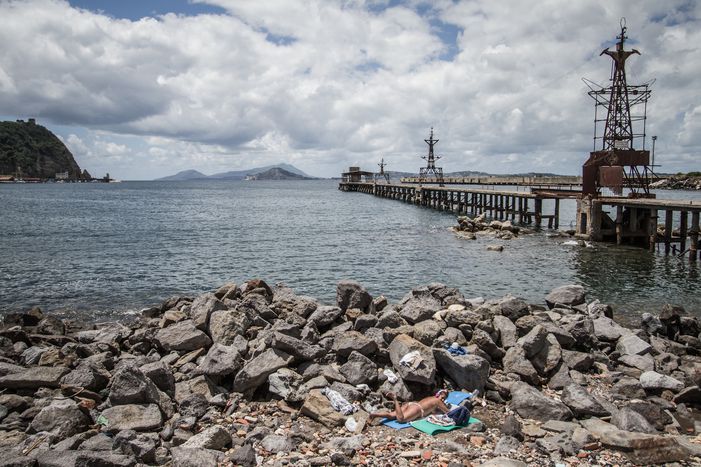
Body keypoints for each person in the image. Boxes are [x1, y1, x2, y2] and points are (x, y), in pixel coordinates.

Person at [369, 390, 450, 423]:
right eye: (443, 398)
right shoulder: (438, 401)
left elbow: (432, 410)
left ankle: (374, 414)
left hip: (412, 404)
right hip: (417, 409)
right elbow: (448, 412)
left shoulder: (432, 398)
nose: (443, 400)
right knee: (401, 419)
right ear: (440, 395)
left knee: (392, 415)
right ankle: (395, 399)